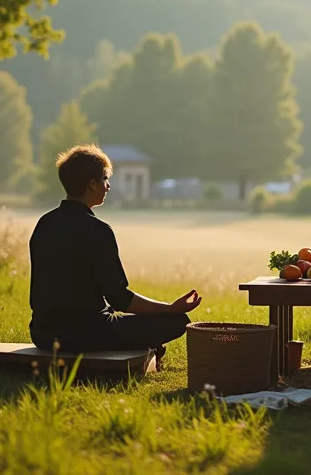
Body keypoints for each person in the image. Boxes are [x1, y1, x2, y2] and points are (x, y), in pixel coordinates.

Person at [28, 144, 202, 361]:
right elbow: (120, 299)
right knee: (178, 321)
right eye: (105, 179)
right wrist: (170, 309)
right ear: (92, 184)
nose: (108, 186)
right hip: (89, 334)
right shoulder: (98, 230)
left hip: (43, 334)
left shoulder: (44, 224)